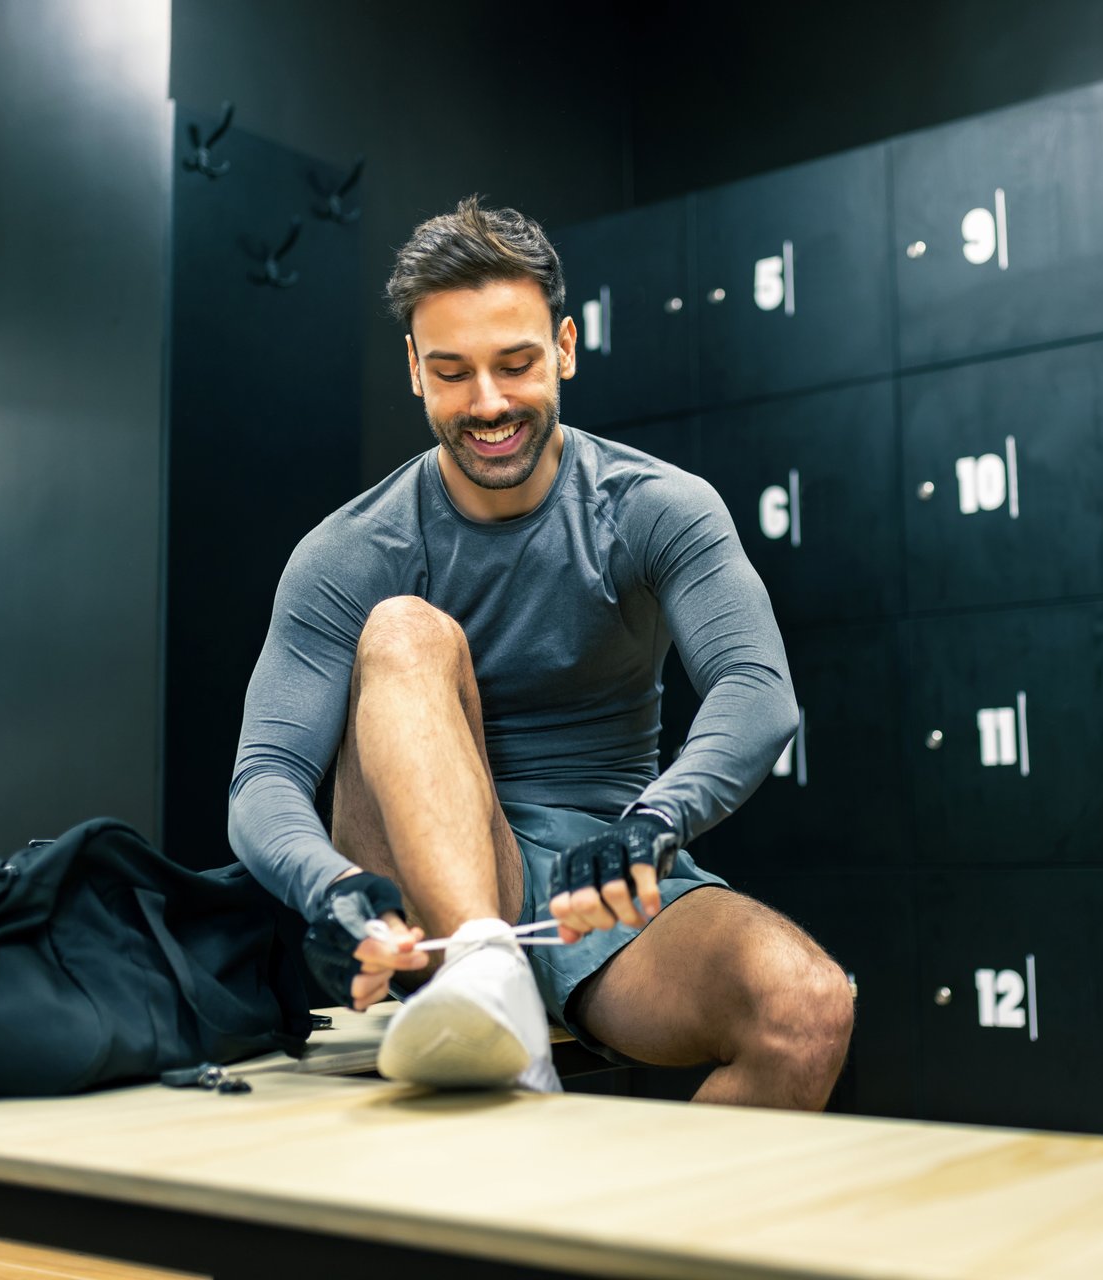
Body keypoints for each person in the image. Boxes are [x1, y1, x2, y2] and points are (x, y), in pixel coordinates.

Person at [228, 196, 855, 1106]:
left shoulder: (655, 507)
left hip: (599, 889)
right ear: (414, 370)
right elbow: (264, 777)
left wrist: (651, 825)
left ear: (564, 348)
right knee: (404, 630)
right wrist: (331, 890)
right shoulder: (349, 551)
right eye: (452, 373)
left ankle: (645, 1248)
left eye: (516, 365)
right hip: (422, 894)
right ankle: (485, 975)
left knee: (806, 1008)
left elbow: (756, 688)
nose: (488, 404)